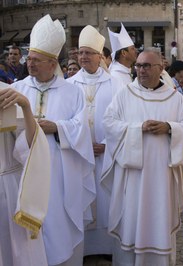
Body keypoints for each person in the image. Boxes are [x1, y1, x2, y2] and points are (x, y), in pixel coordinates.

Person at [12, 15, 95, 266]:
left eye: (36, 60)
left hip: (60, 170)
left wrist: (56, 127)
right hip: (24, 168)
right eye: (29, 59)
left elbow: (82, 129)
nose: (30, 64)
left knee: (58, 218)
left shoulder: (73, 91)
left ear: (52, 63)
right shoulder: (17, 89)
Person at [101, 47, 183, 265]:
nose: (141, 70)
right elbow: (109, 123)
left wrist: (170, 128)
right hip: (133, 176)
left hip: (163, 176)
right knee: (132, 220)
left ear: (161, 68)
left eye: (146, 66)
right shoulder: (125, 94)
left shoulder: (174, 98)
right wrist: (137, 128)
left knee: (159, 220)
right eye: (139, 65)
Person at [67, 25, 121, 257]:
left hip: (106, 157)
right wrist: (80, 144)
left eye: (89, 52)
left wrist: (108, 146)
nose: (83, 57)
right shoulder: (69, 86)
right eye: (80, 53)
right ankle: (83, 249)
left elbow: (123, 122)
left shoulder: (117, 86)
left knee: (107, 200)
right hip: (78, 156)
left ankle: (107, 248)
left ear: (101, 56)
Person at [0, 84, 51, 266]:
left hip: (8, 188)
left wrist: (26, 107)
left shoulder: (5, 93)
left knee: (17, 249)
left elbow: (29, 146)